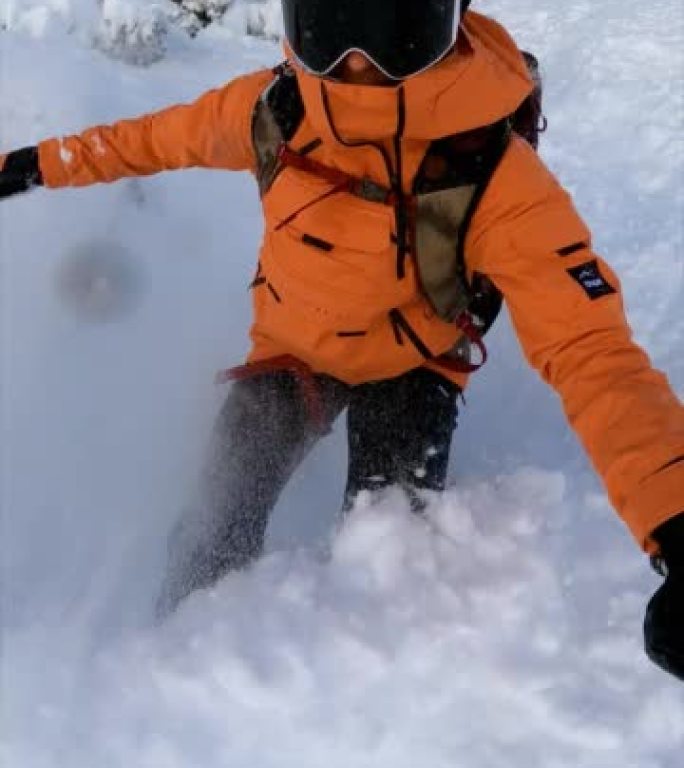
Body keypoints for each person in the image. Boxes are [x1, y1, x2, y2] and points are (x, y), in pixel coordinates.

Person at [1, 1, 682, 679]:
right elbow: (142, 141)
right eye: (331, 28)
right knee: (207, 544)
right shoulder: (275, 110)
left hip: (413, 365)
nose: (359, 64)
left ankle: (342, 720)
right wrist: (31, 164)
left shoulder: (494, 175)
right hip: (291, 356)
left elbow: (597, 358)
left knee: (384, 564)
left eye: (399, 31)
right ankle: (163, 688)